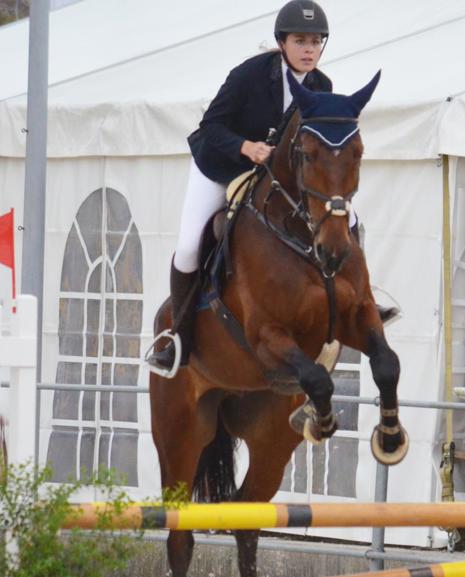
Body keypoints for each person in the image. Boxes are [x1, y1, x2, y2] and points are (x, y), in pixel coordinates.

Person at [149, 1, 379, 372]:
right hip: (222, 164)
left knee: (347, 220)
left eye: (316, 42)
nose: (309, 49)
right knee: (190, 245)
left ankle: (361, 302)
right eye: (300, 41)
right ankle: (179, 335)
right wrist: (246, 146)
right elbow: (211, 127)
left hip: (276, 176)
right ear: (282, 43)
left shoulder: (322, 86)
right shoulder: (250, 75)